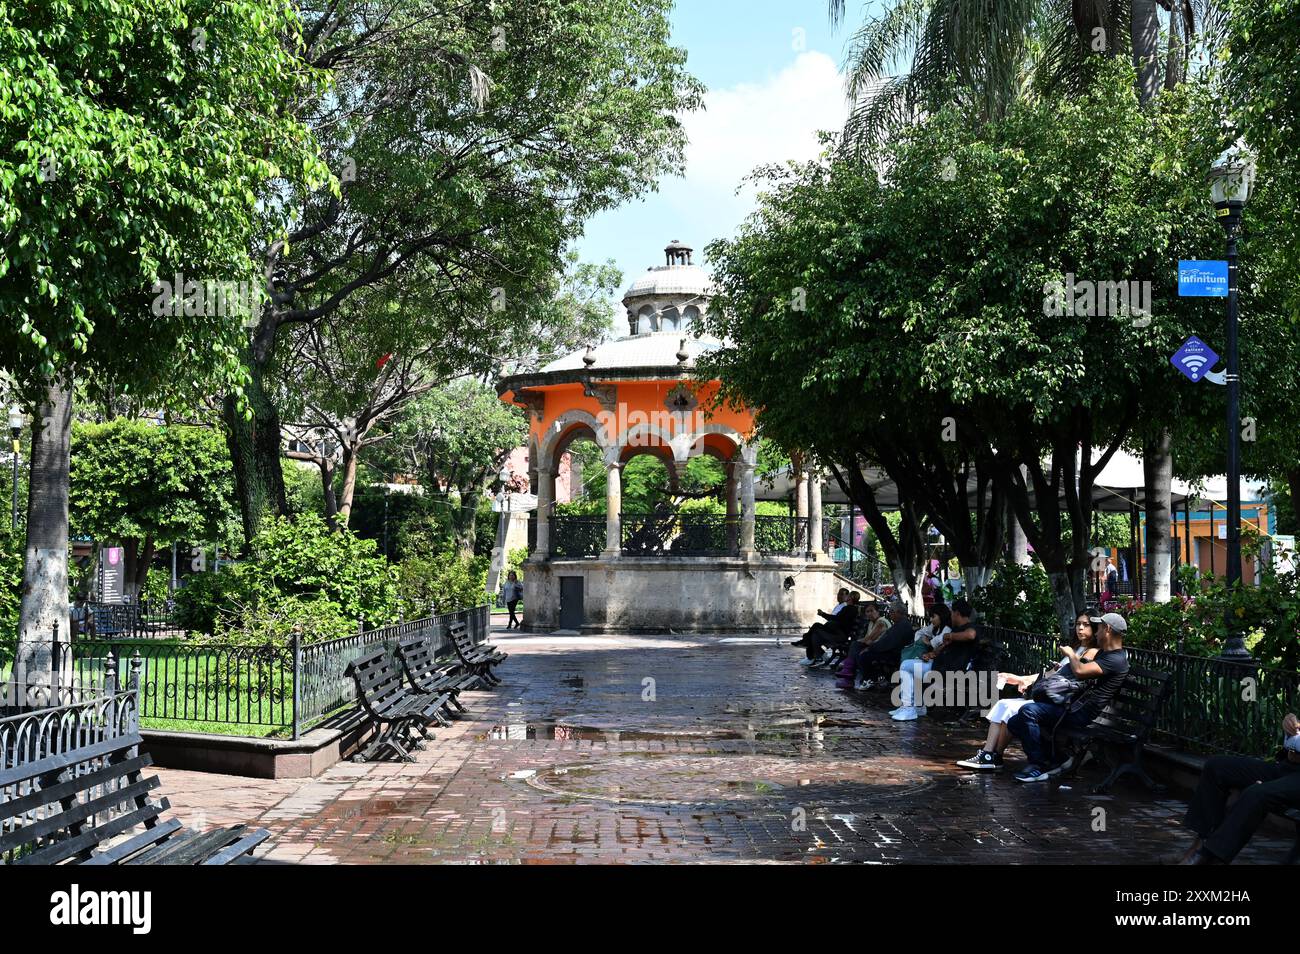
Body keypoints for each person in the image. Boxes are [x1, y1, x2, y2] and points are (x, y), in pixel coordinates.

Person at [955, 613, 1097, 769]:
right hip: (1049, 694)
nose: (1080, 628)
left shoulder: (1090, 653)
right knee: (1003, 704)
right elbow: (1052, 674)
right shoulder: (1076, 648)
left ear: (1096, 627)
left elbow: (1070, 680)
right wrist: (1020, 678)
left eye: (1086, 624)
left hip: (1060, 701)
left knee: (1010, 709)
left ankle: (993, 756)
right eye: (1078, 624)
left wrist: (1024, 680)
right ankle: (989, 754)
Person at [1006, 611, 1130, 782]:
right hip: (1074, 705)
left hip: (1083, 714)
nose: (1096, 632)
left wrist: (1071, 654)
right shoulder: (1106, 655)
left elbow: (1080, 671)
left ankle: (1038, 766)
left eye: (1099, 628)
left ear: (1107, 629)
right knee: (1014, 722)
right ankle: (1057, 759)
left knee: (1029, 711)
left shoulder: (1116, 659)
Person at [1177, 712, 1300, 864]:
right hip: (1289, 766)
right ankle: (1200, 842)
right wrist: (1291, 728)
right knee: (1216, 767)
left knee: (1256, 793)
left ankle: (1208, 856)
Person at [887, 603, 952, 717]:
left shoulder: (947, 629)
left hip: (939, 666)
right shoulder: (935, 627)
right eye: (930, 617)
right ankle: (917, 706)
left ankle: (908, 707)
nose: (931, 620)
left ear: (941, 615)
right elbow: (919, 633)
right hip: (933, 662)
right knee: (910, 668)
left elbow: (938, 641)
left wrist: (929, 642)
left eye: (933, 616)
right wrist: (925, 640)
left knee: (906, 666)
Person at [801, 592, 859, 666]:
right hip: (837, 632)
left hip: (839, 635)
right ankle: (818, 655)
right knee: (815, 633)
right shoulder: (848, 608)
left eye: (848, 595)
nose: (847, 597)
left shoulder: (850, 609)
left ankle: (807, 644)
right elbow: (837, 619)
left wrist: (823, 614)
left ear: (852, 597)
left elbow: (838, 619)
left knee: (816, 628)